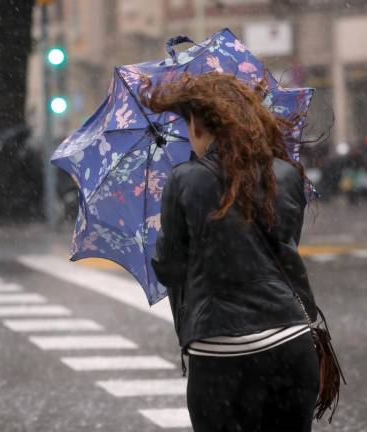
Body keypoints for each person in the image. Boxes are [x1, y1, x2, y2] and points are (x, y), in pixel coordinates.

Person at [143, 73, 320, 432]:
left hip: (220, 352)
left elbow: (170, 269)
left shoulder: (183, 180)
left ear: (197, 125)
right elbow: (282, 251)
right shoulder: (284, 174)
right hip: (290, 343)